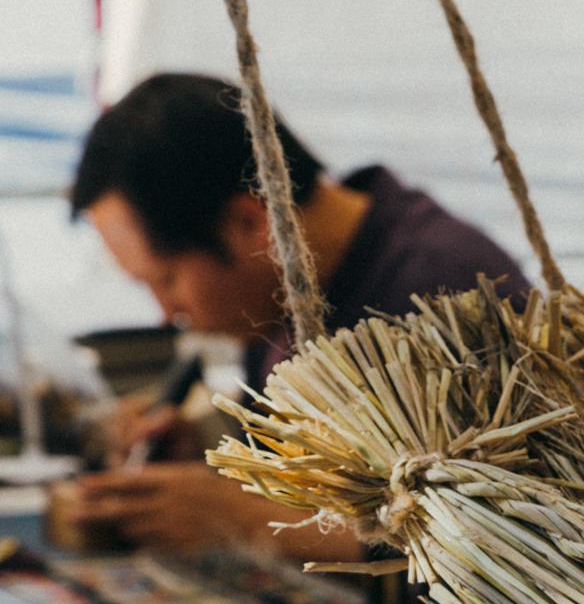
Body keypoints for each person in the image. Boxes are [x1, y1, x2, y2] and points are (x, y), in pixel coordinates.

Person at [67, 71, 530, 558]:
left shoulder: (443, 289)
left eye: (165, 281)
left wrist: (251, 520)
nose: (166, 314)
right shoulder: (283, 294)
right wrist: (210, 460)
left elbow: (500, 540)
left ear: (249, 222)